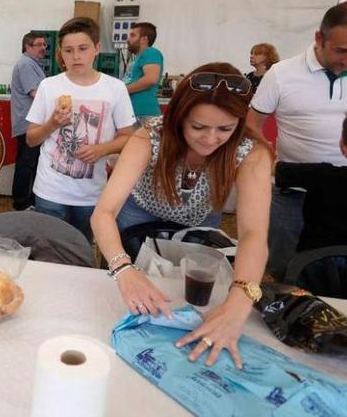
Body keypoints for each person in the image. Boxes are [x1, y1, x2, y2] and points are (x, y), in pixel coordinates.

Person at [91, 62, 273, 369]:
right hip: (137, 220)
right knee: (135, 299)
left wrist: (241, 300)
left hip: (200, 227)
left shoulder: (251, 151)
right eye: (198, 127)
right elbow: (104, 213)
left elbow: (254, 233)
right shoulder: (149, 137)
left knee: (193, 299)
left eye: (225, 129)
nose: (210, 139)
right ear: (178, 117)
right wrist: (123, 269)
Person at [247, 0, 347, 279]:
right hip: (293, 192)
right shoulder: (281, 74)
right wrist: (267, 160)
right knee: (283, 269)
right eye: (341, 49)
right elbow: (252, 123)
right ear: (319, 38)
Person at [25, 17, 135, 240]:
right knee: (49, 252)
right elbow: (31, 139)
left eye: (83, 49)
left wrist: (102, 149)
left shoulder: (115, 89)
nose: (76, 56)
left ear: (97, 48)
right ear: (61, 53)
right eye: (68, 50)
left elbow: (128, 137)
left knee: (82, 252)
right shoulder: (49, 86)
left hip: (92, 194)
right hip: (50, 191)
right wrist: (53, 123)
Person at [275, 107, 347, 251]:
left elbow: (275, 170)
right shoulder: (322, 174)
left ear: (345, 149)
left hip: (315, 267)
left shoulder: (322, 175)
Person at [10, 31, 47, 210]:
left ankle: (28, 201)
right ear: (27, 46)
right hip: (28, 124)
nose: (43, 48)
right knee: (27, 164)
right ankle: (22, 203)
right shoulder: (26, 64)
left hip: (31, 124)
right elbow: (35, 93)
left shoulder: (32, 64)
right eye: (39, 44)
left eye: (44, 44)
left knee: (30, 164)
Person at [122, 22, 164, 122]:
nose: (128, 40)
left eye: (132, 36)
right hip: (134, 113)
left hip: (144, 114)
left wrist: (121, 90)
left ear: (144, 39)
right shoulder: (136, 58)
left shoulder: (150, 52)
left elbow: (150, 79)